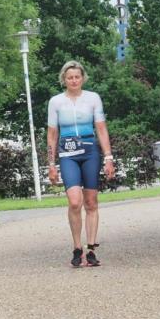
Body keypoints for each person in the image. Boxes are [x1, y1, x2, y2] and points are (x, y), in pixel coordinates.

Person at [46, 60, 116, 268]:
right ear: (64, 80)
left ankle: (91, 249)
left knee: (91, 202)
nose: (74, 80)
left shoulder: (93, 98)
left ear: (82, 78)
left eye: (77, 77)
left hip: (90, 152)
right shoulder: (56, 102)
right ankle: (77, 247)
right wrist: (51, 163)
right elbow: (51, 135)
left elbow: (101, 129)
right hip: (68, 155)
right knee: (75, 201)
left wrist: (108, 157)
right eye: (70, 78)